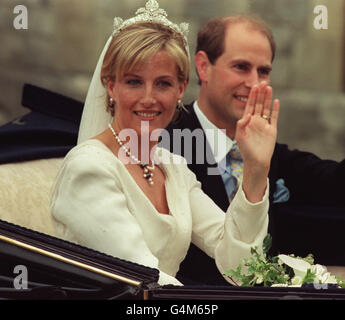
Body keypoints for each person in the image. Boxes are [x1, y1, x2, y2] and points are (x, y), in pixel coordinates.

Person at [50, 1, 279, 286]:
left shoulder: (173, 168)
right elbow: (143, 279)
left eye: (163, 84)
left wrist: (256, 169)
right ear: (111, 86)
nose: (149, 98)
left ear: (181, 89)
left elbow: (241, 267)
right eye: (134, 82)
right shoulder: (88, 169)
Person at [165, 15, 345, 285]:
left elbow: (333, 180)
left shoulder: (270, 151)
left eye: (263, 71)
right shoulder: (166, 144)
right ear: (203, 66)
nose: (254, 82)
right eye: (241, 67)